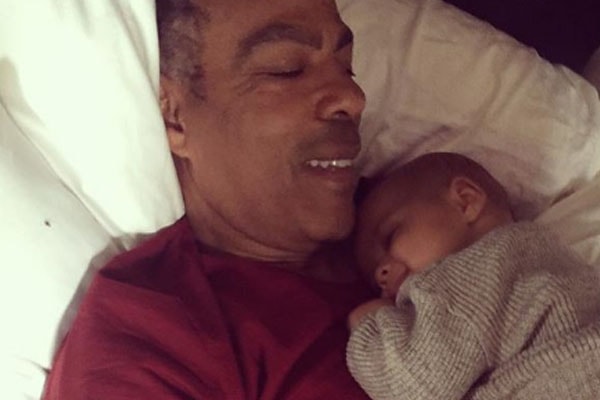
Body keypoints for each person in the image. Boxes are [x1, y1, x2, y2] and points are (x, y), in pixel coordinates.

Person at [42, 0, 373, 398]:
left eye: (347, 67)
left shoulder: (408, 213)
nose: (352, 97)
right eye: (286, 69)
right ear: (174, 116)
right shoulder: (148, 337)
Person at [347, 152, 600, 400]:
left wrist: (368, 325)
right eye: (375, 284)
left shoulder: (468, 277)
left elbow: (414, 385)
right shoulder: (544, 255)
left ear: (465, 201)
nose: (381, 273)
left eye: (391, 236)